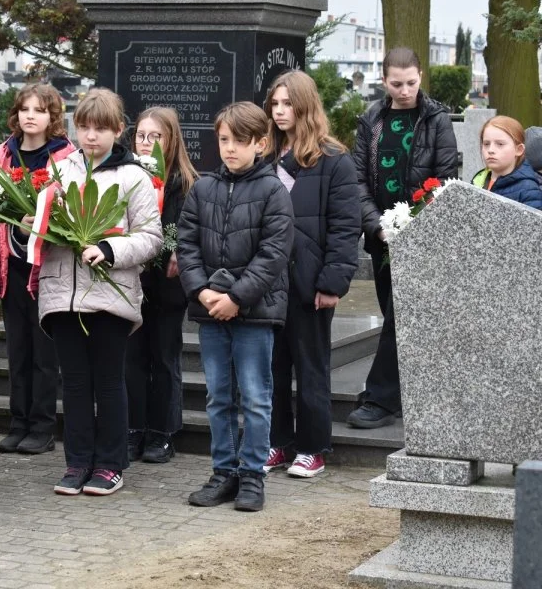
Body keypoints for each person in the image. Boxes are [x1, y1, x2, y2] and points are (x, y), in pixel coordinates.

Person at [40, 88, 162, 496]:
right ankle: (77, 462)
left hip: (110, 296)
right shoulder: (59, 168)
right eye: (84, 127)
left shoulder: (133, 176)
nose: (91, 136)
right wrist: (33, 223)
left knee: (108, 382)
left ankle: (110, 463)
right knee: (73, 383)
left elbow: (151, 238)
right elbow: (43, 222)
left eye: (101, 129)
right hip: (63, 295)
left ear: (118, 130)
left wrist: (109, 249)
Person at [177, 101, 293, 512]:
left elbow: (273, 254)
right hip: (210, 309)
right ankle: (223, 472)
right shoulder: (203, 187)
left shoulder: (273, 191)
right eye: (224, 140)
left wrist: (236, 297)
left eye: (239, 141)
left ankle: (252, 476)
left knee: (256, 397)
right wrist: (202, 292)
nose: (230, 149)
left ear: (260, 143)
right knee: (218, 395)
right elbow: (186, 243)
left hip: (255, 313)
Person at [347, 47, 458, 430]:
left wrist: (417, 226)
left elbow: (445, 178)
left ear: (421, 76)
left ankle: (379, 398)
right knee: (395, 315)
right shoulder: (371, 119)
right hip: (380, 237)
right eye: (397, 83)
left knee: (400, 316)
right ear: (384, 80)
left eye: (411, 82)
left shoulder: (436, 119)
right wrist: (376, 225)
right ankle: (411, 394)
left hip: (421, 237)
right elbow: (357, 179)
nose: (405, 90)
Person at [261, 71, 361, 478]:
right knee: (272, 368)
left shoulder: (334, 160)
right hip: (268, 283)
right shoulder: (265, 155)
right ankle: (278, 442)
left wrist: (332, 283)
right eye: (276, 104)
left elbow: (344, 227)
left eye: (288, 104)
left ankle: (313, 447)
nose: (280, 111)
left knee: (311, 366)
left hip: (309, 283)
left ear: (305, 106)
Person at [0, 84, 76, 456]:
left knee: (44, 352)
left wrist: (41, 223)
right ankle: (18, 422)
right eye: (24, 109)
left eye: (39, 110)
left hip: (47, 269)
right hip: (12, 266)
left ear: (53, 117)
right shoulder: (3, 156)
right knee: (17, 350)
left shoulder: (65, 157)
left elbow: (70, 210)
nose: (30, 115)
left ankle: (42, 426)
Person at [125, 107, 198, 464]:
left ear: (171, 141)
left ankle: (163, 432)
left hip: (167, 285)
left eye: (156, 136)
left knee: (164, 358)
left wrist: (178, 250)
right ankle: (134, 428)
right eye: (141, 135)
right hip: (132, 280)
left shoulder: (185, 182)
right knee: (132, 357)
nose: (147, 142)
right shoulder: (126, 175)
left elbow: (192, 228)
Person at [471, 116, 542, 209]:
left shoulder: (528, 190)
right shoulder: (479, 180)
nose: (490, 150)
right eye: (486, 144)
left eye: (500, 144)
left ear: (519, 150)